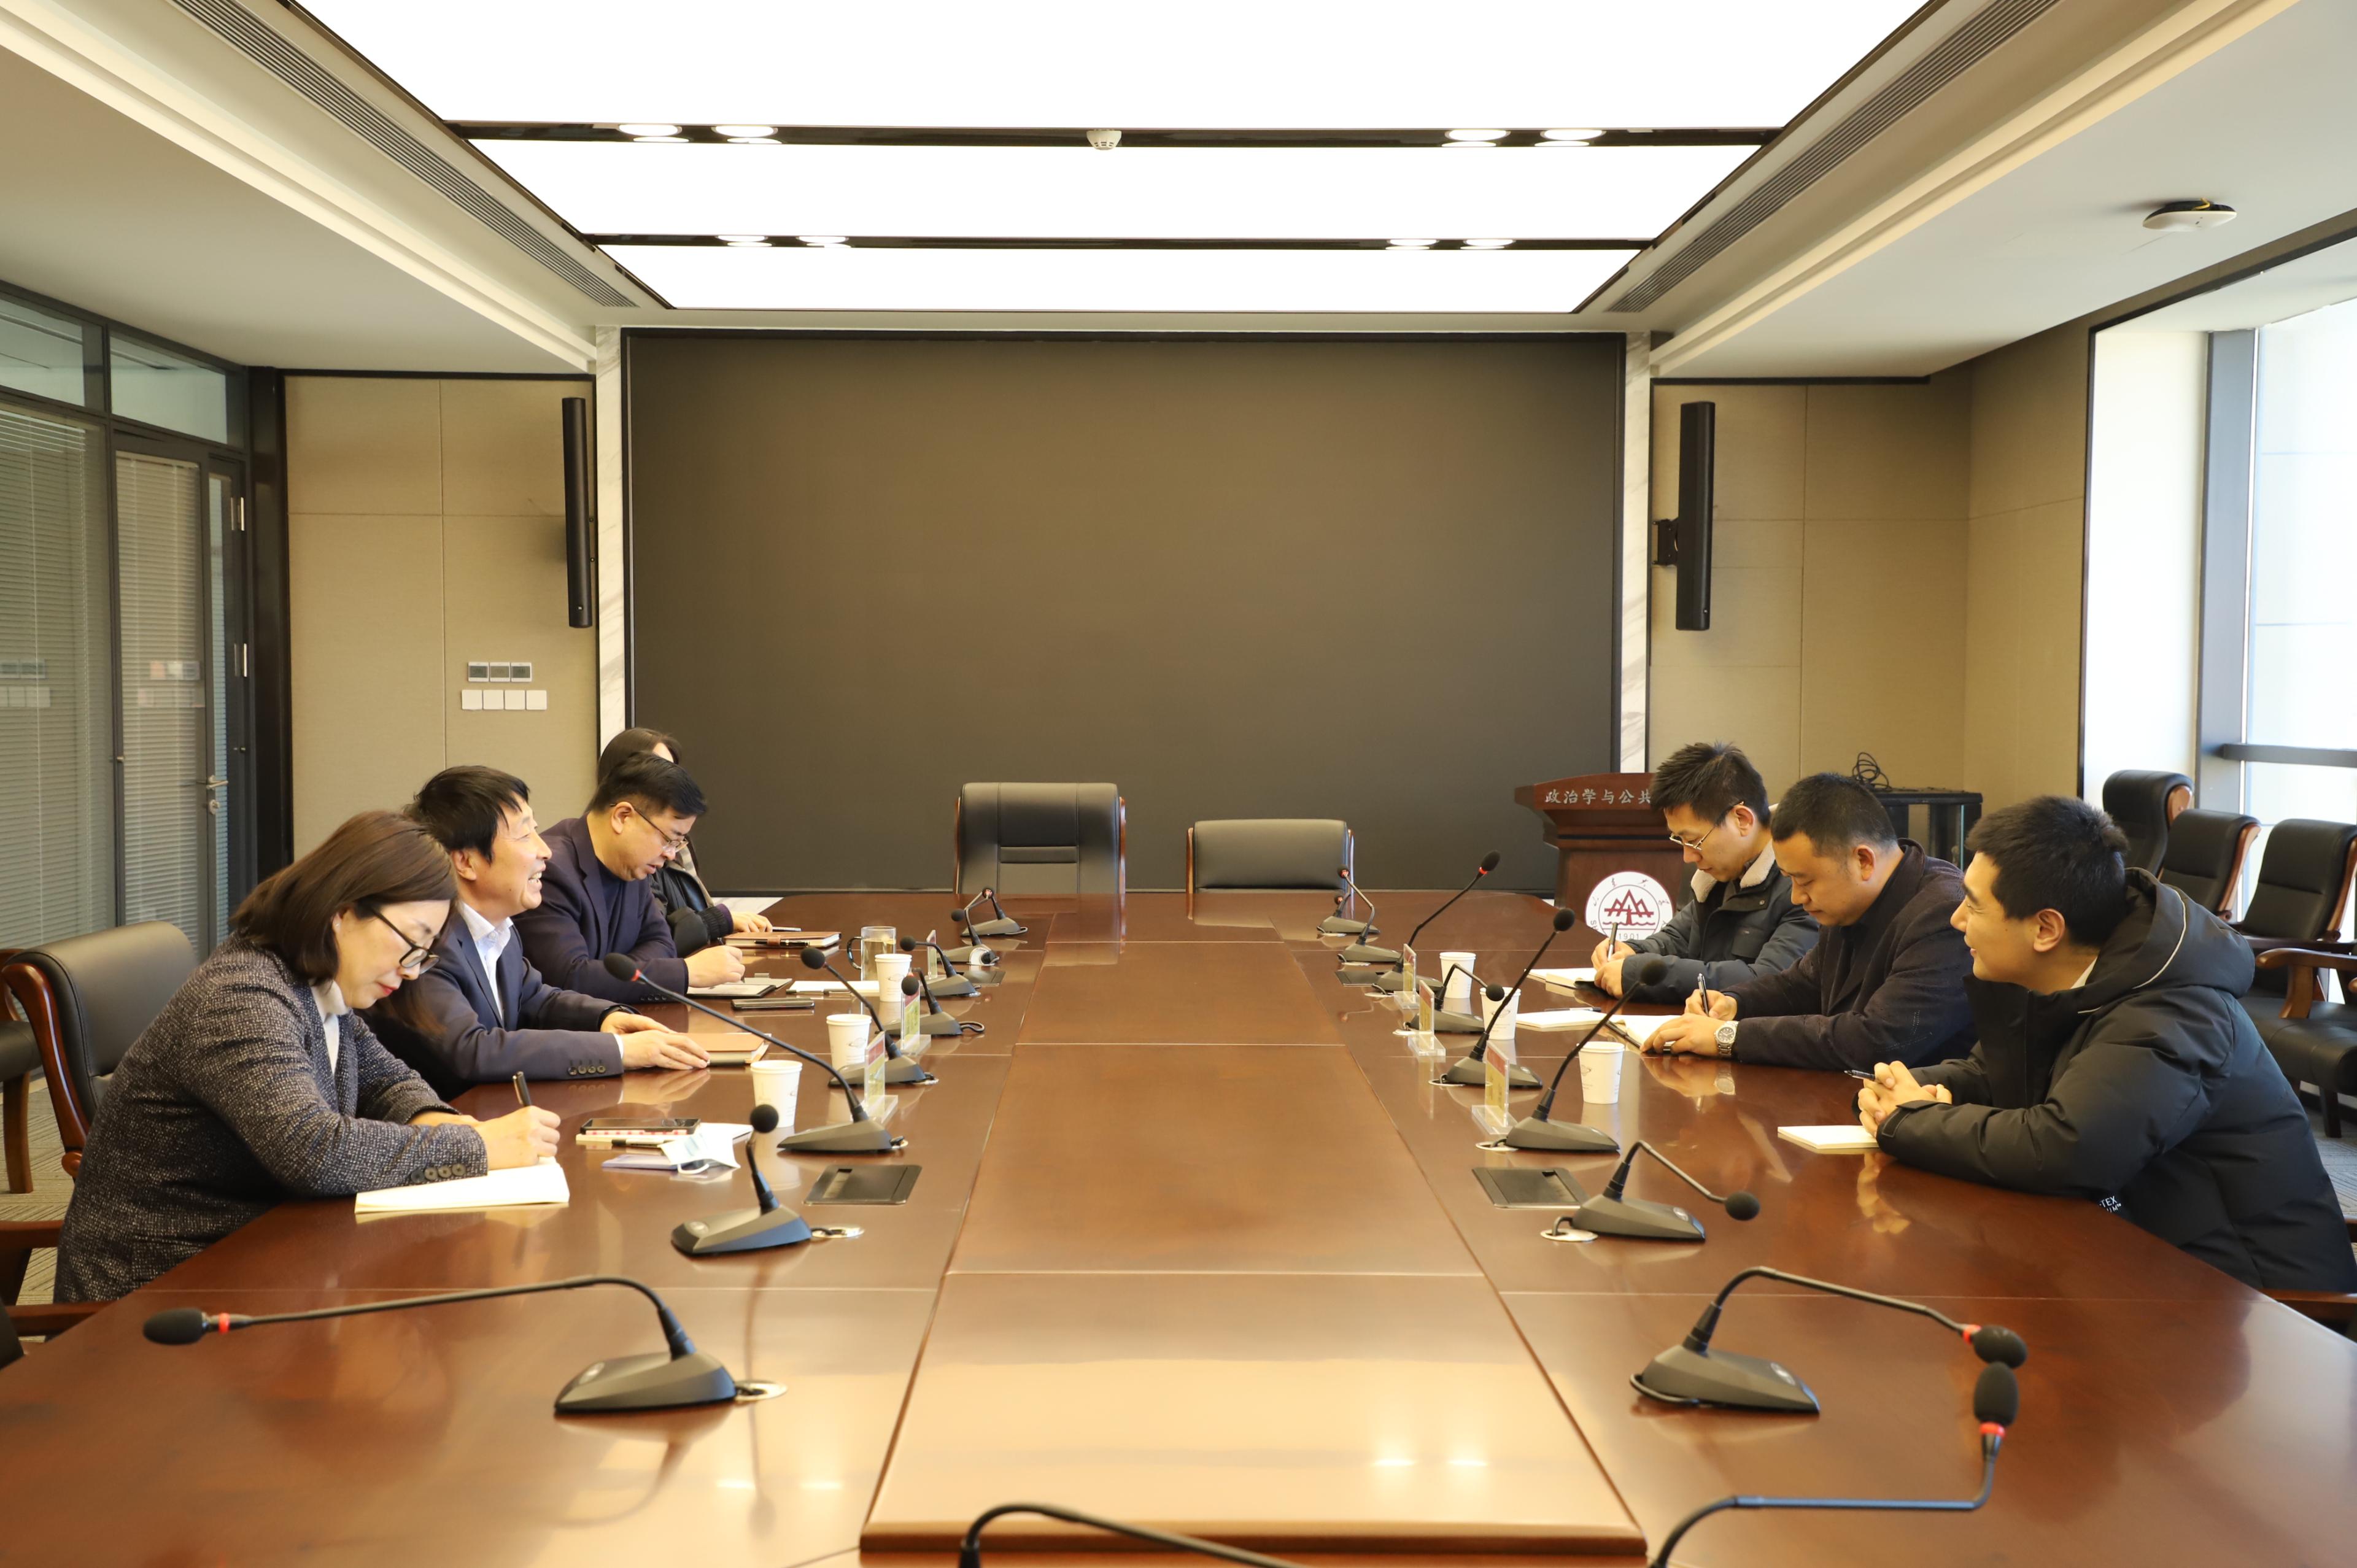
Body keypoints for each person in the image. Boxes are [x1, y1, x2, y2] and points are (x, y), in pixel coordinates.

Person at [53, 811, 561, 1302]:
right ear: (343, 911)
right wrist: (476, 1146)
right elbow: (312, 1151)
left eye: (424, 954)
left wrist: (441, 1121)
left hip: (261, 1257)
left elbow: (385, 1081)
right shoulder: (244, 995)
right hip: (161, 1294)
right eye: (412, 942)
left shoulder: (313, 982)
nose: (411, 971)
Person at [1860, 796, 2357, 1294]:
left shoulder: (2173, 1011)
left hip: (2256, 1302)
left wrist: (1910, 1120)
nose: (1957, 920)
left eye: (1973, 904)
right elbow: (1992, 1074)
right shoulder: (2065, 975)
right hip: (2147, 1261)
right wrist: (1902, 1088)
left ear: (2046, 929)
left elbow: (2066, 1148)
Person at [370, 766, 713, 1099]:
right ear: (466, 862)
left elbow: (537, 998)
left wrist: (607, 1018)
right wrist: (618, 1050)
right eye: (524, 835)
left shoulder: (500, 929)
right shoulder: (428, 941)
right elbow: (473, 1049)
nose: (544, 850)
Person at [1645, 771, 1973, 1071]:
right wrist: (1733, 1003)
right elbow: (1802, 984)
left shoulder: (1943, 915)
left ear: (1863, 860)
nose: (1796, 897)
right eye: (1790, 879)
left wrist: (1729, 1036)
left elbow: (1877, 1039)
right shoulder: (1849, 901)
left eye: (1805, 881)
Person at [1592, 741, 1817, 1002]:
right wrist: (1632, 951)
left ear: (1742, 819)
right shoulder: (1719, 875)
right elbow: (1677, 938)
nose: (1688, 856)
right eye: (1680, 840)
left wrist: (1638, 973)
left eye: (1694, 841)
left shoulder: (1802, 883)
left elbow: (1769, 980)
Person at [517, 751, 746, 1003]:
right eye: (668, 839)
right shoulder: (549, 869)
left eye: (678, 844)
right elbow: (569, 978)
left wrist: (610, 978)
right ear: (623, 816)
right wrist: (687, 972)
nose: (670, 854)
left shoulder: (632, 865)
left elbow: (662, 943)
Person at [595, 727, 772, 956]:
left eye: (672, 770)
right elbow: (652, 941)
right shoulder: (627, 860)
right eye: (657, 769)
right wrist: (718, 921)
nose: (669, 852)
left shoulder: (676, 846)